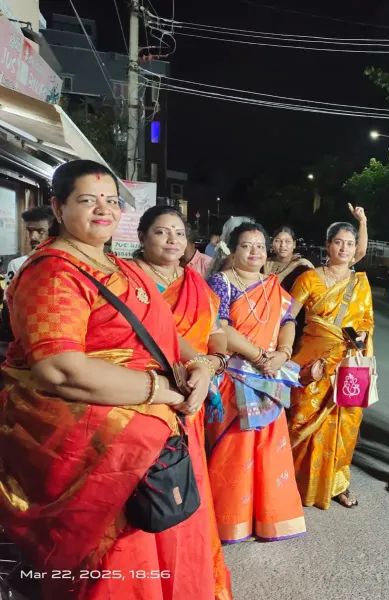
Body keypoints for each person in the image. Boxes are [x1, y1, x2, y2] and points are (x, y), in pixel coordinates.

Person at [0, 160, 217, 599]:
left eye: (111, 201)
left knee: (163, 536)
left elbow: (165, 336)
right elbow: (59, 369)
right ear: (58, 208)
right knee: (117, 561)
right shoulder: (51, 272)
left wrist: (202, 365)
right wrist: (161, 391)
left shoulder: (125, 268)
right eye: (87, 200)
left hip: (153, 443)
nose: (103, 209)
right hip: (99, 454)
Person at [134, 205, 233, 599]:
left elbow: (216, 335)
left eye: (178, 232)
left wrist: (210, 363)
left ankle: (187, 571)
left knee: (183, 481)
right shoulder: (127, 279)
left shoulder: (198, 285)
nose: (172, 240)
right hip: (141, 396)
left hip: (189, 396)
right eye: (161, 232)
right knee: (143, 487)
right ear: (142, 237)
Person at [205, 222, 307, 543]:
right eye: (247, 246)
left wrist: (284, 352)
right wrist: (261, 356)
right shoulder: (220, 283)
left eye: (260, 246)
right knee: (236, 448)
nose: (255, 252)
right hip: (235, 374)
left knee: (269, 446)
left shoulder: (273, 285)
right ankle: (231, 520)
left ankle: (269, 518)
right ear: (233, 251)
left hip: (269, 373)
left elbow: (288, 320)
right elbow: (220, 327)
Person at [288, 222, 375, 510]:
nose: (344, 248)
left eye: (350, 244)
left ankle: (338, 484)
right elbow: (287, 317)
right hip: (312, 361)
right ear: (328, 245)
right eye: (339, 242)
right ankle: (292, 482)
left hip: (348, 362)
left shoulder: (360, 283)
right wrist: (282, 353)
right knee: (301, 418)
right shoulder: (309, 279)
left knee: (344, 424)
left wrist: (362, 336)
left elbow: (366, 321)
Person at [5, 205, 54, 280]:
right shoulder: (18, 265)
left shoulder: (65, 263)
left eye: (41, 231)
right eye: (30, 230)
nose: (33, 237)